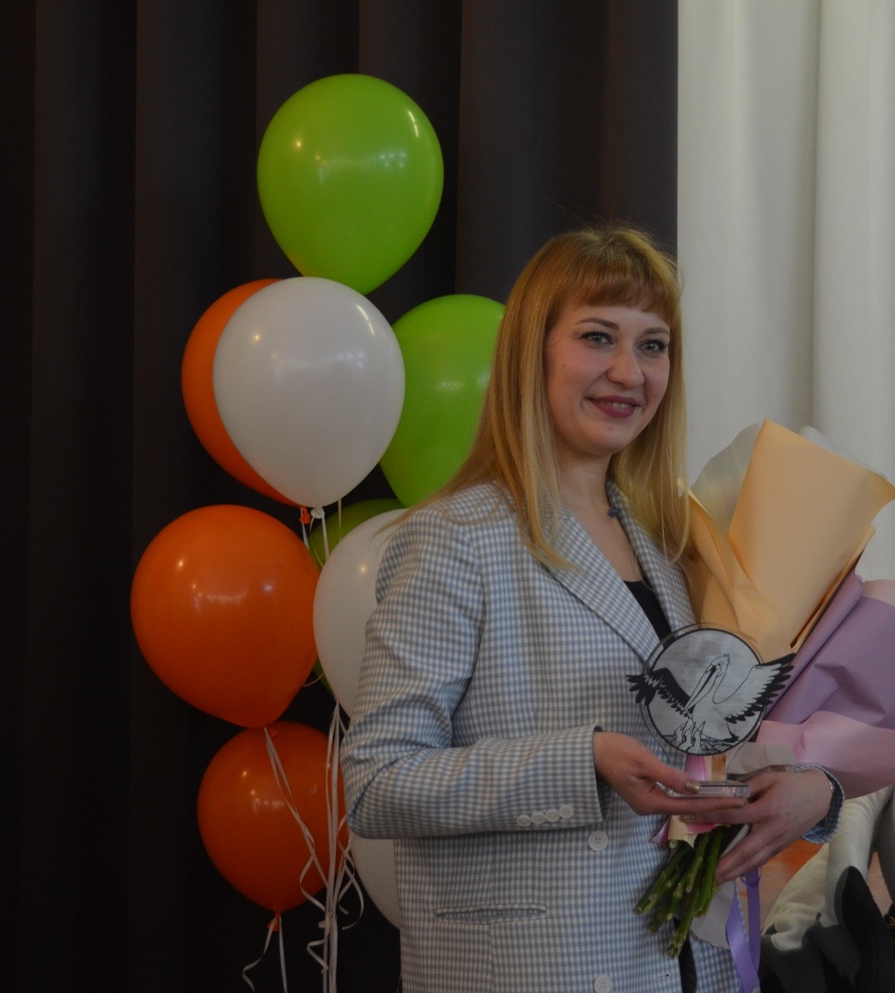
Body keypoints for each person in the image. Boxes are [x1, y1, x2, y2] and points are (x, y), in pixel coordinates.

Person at [341, 225, 843, 993]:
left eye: (653, 345)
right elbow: (378, 780)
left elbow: (715, 739)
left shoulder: (674, 540)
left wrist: (815, 789)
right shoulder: (456, 539)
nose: (628, 372)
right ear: (532, 352)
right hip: (542, 970)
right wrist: (584, 761)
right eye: (598, 336)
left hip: (689, 963)